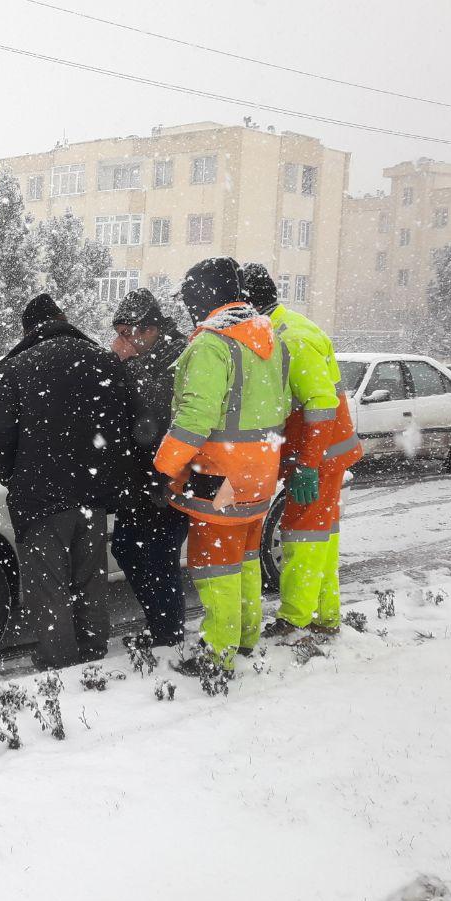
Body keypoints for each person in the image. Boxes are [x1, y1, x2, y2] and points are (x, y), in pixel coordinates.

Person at [152, 258, 290, 682]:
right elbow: (282, 406)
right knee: (245, 558)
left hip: (219, 475)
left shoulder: (212, 345)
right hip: (260, 472)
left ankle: (218, 653)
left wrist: (164, 469)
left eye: (190, 297)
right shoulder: (270, 339)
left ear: (207, 295)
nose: (187, 307)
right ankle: (245, 636)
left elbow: (195, 418)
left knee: (214, 566)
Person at [0, 293, 137, 670]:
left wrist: (13, 476)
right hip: (92, 493)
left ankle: (59, 661)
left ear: (28, 330)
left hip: (41, 495)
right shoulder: (103, 361)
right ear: (62, 319)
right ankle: (93, 651)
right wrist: (110, 476)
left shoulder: (17, 369)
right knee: (91, 577)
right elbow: (126, 425)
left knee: (48, 583)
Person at [241, 263, 363, 637]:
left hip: (318, 454)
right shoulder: (284, 328)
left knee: (302, 534)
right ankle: (325, 616)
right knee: (321, 536)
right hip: (320, 451)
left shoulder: (290, 339)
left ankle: (294, 620)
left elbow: (321, 403)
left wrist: (308, 464)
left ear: (248, 304)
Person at [109, 289, 190, 647]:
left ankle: (168, 634)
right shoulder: (141, 357)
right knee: (126, 549)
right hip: (138, 477)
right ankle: (159, 624)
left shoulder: (179, 354)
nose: (123, 341)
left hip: (167, 477)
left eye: (128, 333)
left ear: (151, 329)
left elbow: (158, 408)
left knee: (160, 558)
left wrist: (127, 365)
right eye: (120, 333)